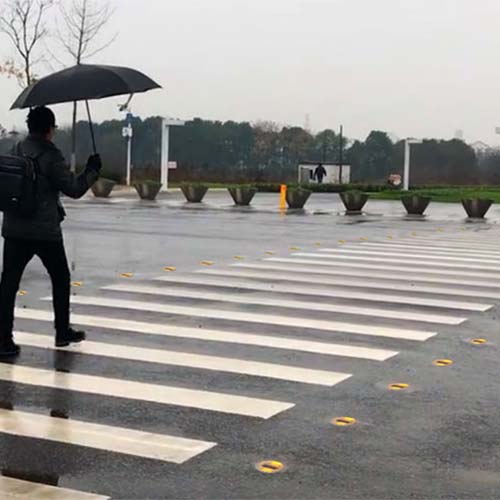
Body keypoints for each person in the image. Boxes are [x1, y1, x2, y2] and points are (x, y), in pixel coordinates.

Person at [0, 106, 102, 357]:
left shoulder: (16, 149)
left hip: (14, 228)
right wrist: (91, 171)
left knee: (8, 284)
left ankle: (4, 340)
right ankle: (61, 331)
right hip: (44, 231)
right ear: (48, 129)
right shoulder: (51, 155)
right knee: (61, 278)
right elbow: (74, 189)